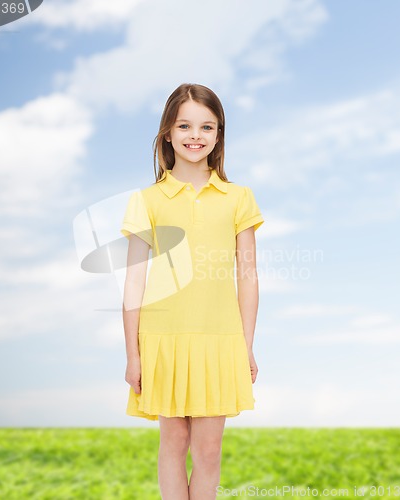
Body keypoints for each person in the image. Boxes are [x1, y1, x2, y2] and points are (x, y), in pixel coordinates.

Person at [121, 83, 264, 500]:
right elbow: (133, 283)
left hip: (220, 340)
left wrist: (246, 346)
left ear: (219, 135)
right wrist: (134, 354)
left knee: (208, 450)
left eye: (207, 126)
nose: (195, 135)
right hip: (162, 341)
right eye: (184, 125)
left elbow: (248, 277)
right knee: (173, 443)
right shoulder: (147, 200)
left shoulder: (238, 198)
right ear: (167, 131)